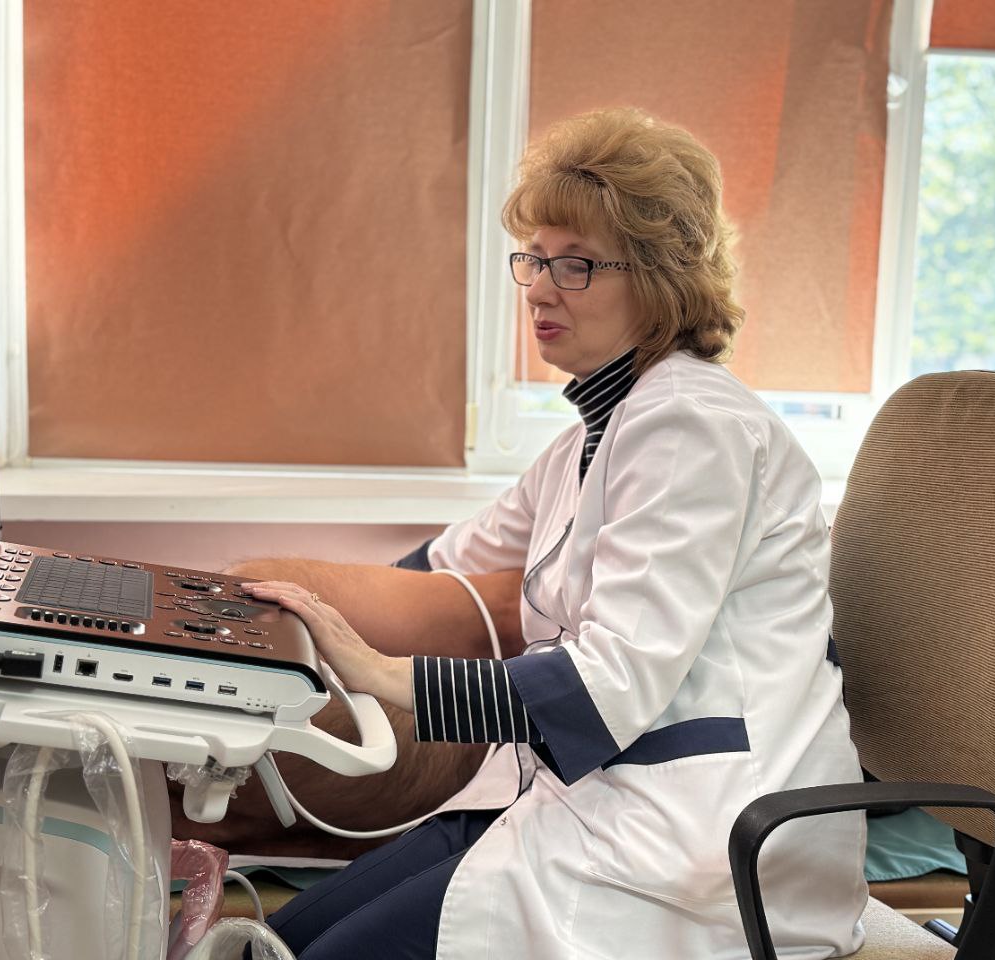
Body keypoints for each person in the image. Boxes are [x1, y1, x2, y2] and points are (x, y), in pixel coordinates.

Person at [239, 107, 868, 959]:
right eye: (534, 258)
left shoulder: (693, 429)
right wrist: (265, 617)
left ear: (661, 277)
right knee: (273, 943)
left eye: (575, 264)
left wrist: (383, 675)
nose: (538, 288)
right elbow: (438, 569)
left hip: (699, 843)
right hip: (590, 800)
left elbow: (612, 682)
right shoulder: (594, 438)